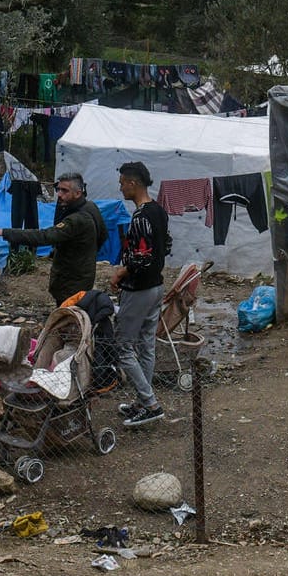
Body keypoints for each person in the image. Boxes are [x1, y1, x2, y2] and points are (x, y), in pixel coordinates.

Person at [112, 161, 172, 428]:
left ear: (133, 183)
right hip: (156, 286)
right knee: (146, 346)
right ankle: (143, 400)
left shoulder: (140, 218)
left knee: (123, 346)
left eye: (123, 182)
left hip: (139, 289)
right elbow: (166, 245)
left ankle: (150, 403)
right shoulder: (159, 210)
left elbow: (141, 258)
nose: (121, 187)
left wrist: (120, 273)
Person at [0, 173, 107, 307]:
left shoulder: (77, 219)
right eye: (58, 189)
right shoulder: (89, 207)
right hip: (81, 274)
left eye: (65, 190)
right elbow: (102, 234)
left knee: (67, 317)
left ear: (78, 193)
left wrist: (6, 233)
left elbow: (45, 236)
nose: (59, 194)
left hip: (71, 280)